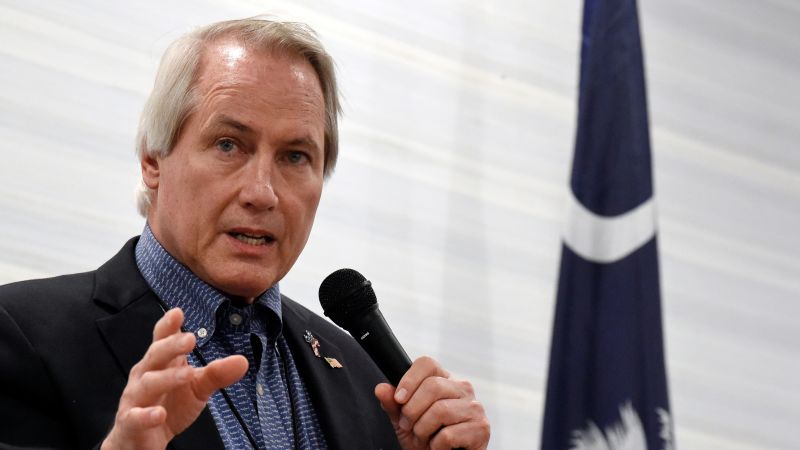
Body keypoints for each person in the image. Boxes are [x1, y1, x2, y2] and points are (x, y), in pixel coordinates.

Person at [0, 17, 490, 450]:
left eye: (295, 156)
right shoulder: (23, 335)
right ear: (153, 160)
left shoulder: (366, 378)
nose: (262, 193)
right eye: (229, 145)